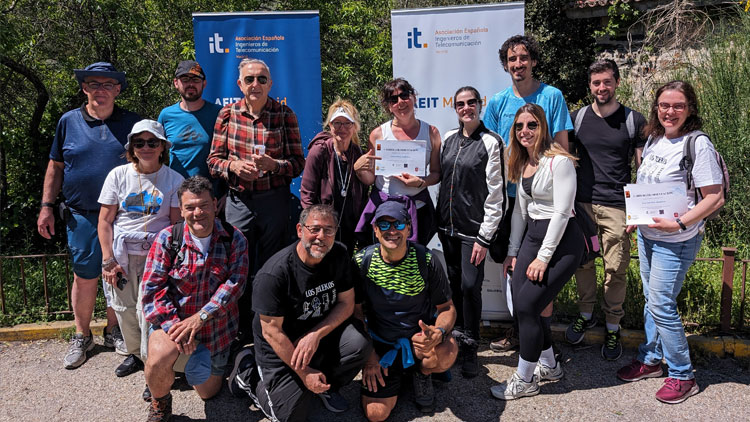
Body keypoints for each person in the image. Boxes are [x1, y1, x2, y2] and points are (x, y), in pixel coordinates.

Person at [616, 81, 724, 404]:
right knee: (652, 300)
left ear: (690, 108)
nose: (670, 112)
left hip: (677, 239)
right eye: (664, 105)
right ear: (656, 107)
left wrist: (679, 222)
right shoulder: (654, 138)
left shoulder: (697, 144)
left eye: (678, 106)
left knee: (662, 304)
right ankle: (651, 360)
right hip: (649, 235)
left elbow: (715, 197)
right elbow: (646, 183)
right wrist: (636, 218)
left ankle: (682, 374)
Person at [37, 62, 139, 369]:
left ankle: (114, 330)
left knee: (118, 273)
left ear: (118, 90)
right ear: (84, 88)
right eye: (95, 84)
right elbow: (55, 166)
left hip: (123, 214)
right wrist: (46, 206)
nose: (101, 90)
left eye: (108, 85)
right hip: (81, 213)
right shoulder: (68, 121)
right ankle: (82, 335)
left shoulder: (133, 124)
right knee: (85, 276)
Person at [228, 204, 371, 421]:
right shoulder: (274, 273)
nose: (320, 236)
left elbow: (346, 303)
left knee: (358, 342)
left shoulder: (339, 254)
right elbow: (272, 332)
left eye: (328, 230)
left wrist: (315, 335)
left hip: (315, 338)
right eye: (314, 229)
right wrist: (305, 374)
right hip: (280, 346)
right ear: (299, 230)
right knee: (290, 416)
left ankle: (325, 385)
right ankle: (248, 373)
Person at [483, 34, 574, 353]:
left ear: (533, 60)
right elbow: (490, 151)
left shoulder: (552, 96)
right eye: (512, 59)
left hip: (543, 201)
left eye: (523, 58)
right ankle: (522, 331)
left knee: (540, 272)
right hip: (509, 200)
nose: (518, 64)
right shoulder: (496, 102)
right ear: (505, 65)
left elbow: (562, 146)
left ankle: (541, 342)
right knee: (513, 269)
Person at [490, 104, 583, 400]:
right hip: (532, 235)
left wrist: (543, 257)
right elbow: (520, 213)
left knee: (530, 305)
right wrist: (514, 251)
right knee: (522, 304)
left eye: (531, 125)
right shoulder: (520, 162)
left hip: (562, 240)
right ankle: (549, 365)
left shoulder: (560, 161)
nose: (525, 131)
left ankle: (525, 379)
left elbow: (561, 212)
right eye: (519, 126)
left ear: (542, 126)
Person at [207, 58, 305, 339]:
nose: (256, 84)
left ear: (270, 84)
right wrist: (233, 167)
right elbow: (213, 162)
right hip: (239, 202)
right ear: (240, 84)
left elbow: (298, 162)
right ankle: (240, 329)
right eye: (249, 79)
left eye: (262, 79)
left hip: (275, 200)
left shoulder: (285, 114)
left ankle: (271, 325)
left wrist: (275, 166)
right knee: (239, 263)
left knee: (272, 264)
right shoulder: (227, 115)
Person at [141, 176, 248, 422]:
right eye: (190, 207)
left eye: (203, 205)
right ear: (181, 209)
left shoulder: (235, 239)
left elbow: (235, 285)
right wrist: (179, 329)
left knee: (208, 394)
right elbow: (152, 291)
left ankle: (185, 366)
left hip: (216, 331)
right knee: (157, 359)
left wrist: (199, 319)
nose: (197, 212)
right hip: (174, 326)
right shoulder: (167, 239)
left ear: (215, 204)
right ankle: (161, 400)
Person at [565, 59, 647, 360]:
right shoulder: (578, 119)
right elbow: (566, 160)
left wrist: (638, 212)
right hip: (583, 204)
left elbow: (643, 169)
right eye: (596, 83)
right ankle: (585, 315)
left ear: (617, 83)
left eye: (607, 82)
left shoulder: (633, 121)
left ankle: (613, 326)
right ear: (590, 85)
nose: (602, 88)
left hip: (617, 207)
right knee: (583, 264)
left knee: (616, 269)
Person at [98, 119, 184, 400]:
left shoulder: (173, 180)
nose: (146, 147)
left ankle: (153, 366)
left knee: (150, 313)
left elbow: (174, 226)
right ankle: (136, 354)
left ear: (162, 147)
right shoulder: (117, 175)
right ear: (132, 147)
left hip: (157, 256)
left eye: (152, 142)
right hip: (122, 255)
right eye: (140, 142)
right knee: (124, 308)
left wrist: (172, 262)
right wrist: (108, 260)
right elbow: (105, 220)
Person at [354, 200, 458, 419]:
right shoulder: (362, 261)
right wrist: (369, 356)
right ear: (375, 229)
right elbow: (354, 313)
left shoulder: (426, 259)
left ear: (409, 228)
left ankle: (422, 373)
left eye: (398, 225)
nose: (392, 231)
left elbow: (447, 308)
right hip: (383, 344)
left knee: (447, 353)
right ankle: (398, 375)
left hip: (420, 342)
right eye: (384, 225)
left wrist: (437, 334)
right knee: (375, 414)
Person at [436, 86, 506, 378]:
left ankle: (470, 346)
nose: (466, 108)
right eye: (461, 104)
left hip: (472, 232)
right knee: (453, 288)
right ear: (455, 109)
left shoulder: (491, 141)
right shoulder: (449, 139)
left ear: (480, 104)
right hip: (446, 229)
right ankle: (454, 340)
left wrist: (484, 237)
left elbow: (496, 196)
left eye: (471, 103)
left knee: (469, 287)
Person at [356, 78, 441, 246]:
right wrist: (359, 169)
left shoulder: (431, 132)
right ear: (388, 106)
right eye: (393, 100)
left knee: (416, 260)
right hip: (385, 209)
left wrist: (421, 182)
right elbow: (370, 179)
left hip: (418, 208)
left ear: (414, 97)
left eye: (404, 96)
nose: (400, 102)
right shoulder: (378, 134)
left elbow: (437, 173)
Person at [300, 99, 370, 254]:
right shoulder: (319, 151)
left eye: (347, 123)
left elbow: (364, 192)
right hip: (323, 229)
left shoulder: (357, 153)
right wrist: (313, 227)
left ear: (354, 127)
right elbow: (307, 193)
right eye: (337, 123)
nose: (342, 128)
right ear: (330, 125)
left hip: (350, 229)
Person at [158, 60, 222, 189]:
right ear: (176, 83)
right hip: (175, 192)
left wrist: (225, 193)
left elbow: (231, 154)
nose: (191, 84)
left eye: (196, 80)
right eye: (185, 79)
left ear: (204, 83)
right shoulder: (166, 115)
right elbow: (157, 154)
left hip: (211, 194)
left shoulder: (219, 113)